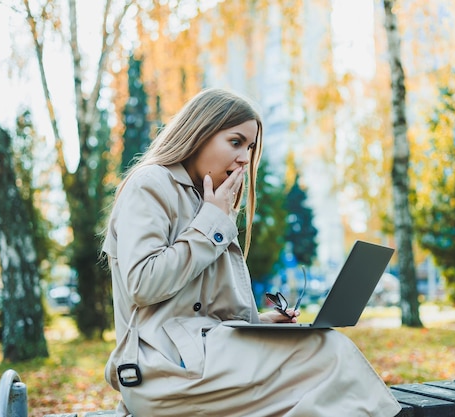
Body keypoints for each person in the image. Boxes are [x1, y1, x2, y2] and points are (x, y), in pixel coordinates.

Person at [102, 88, 401, 417]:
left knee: (327, 362)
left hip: (202, 361)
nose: (245, 157)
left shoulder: (209, 202)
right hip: (161, 371)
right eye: (235, 142)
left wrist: (258, 324)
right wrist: (212, 222)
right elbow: (144, 285)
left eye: (250, 147)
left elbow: (200, 308)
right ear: (199, 133)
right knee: (327, 353)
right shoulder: (151, 184)